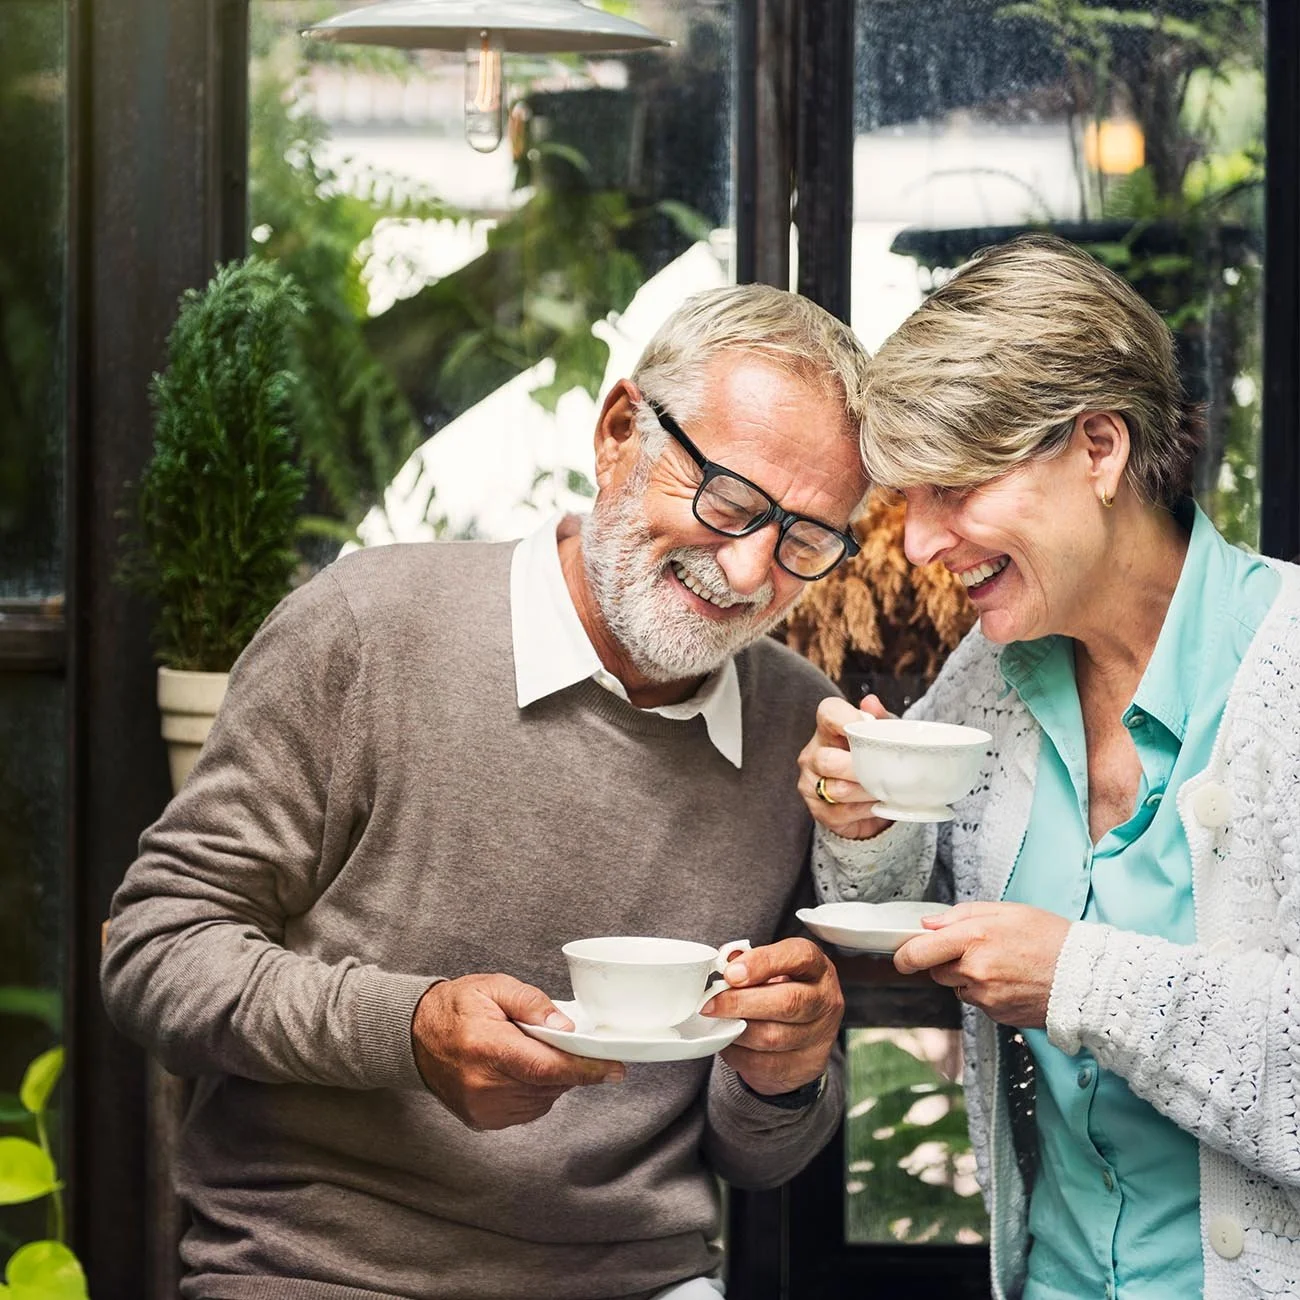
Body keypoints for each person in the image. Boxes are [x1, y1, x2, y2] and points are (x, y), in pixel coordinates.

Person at [102, 283, 871, 1300]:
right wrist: (407, 1029)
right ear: (619, 431)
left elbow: (757, 1159)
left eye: (805, 540)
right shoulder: (368, 627)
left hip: (639, 1279)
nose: (746, 567)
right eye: (726, 501)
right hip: (320, 1270)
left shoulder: (794, 730)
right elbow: (154, 949)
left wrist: (787, 1072)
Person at [799, 234, 1300, 1300]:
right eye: (905, 498)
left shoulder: (1289, 665)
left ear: (1100, 448)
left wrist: (1079, 977)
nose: (920, 542)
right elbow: (907, 906)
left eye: (954, 489)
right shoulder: (992, 670)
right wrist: (868, 826)